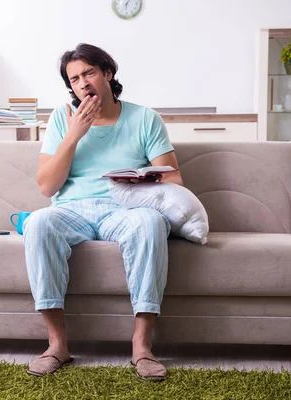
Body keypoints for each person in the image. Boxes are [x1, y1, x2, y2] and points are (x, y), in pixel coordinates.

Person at [23, 43, 183, 381]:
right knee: (39, 222)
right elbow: (46, 187)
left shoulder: (144, 118)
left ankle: (142, 347)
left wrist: (142, 181)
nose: (82, 83)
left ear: (107, 74)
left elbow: (174, 179)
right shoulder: (60, 118)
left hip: (124, 209)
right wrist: (74, 135)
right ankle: (57, 346)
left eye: (89, 73)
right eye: (74, 78)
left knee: (151, 222)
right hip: (71, 209)